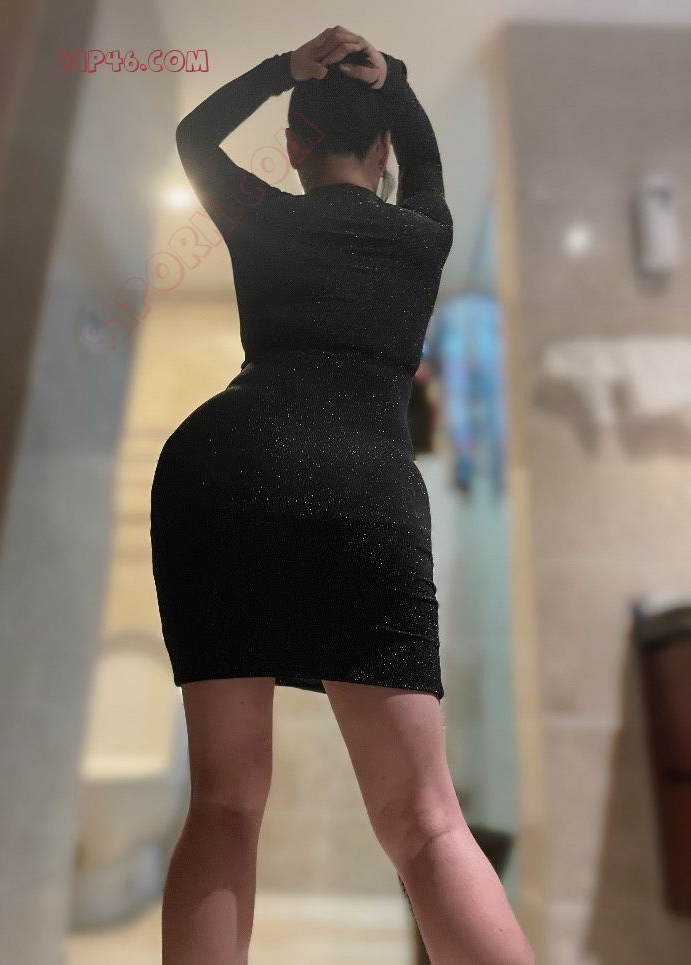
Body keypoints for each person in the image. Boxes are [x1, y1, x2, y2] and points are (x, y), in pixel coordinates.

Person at [150, 25, 535, 965]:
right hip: (364, 482)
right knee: (426, 824)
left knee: (224, 803)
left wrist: (280, 70)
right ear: (386, 149)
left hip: (221, 465)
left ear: (293, 146)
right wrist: (393, 78)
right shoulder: (423, 233)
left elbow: (194, 136)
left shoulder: (262, 215)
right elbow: (429, 162)